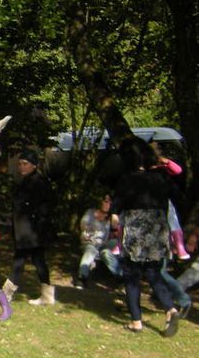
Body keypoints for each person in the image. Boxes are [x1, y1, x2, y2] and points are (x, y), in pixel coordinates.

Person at [112, 137, 184, 336]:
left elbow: (116, 205)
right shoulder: (161, 178)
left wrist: (115, 217)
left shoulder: (128, 179)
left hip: (136, 228)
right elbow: (178, 196)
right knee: (153, 272)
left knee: (131, 275)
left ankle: (136, 321)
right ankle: (170, 309)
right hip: (157, 228)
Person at [3, 149, 56, 305]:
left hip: (32, 230)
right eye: (20, 164)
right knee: (37, 260)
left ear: (33, 165)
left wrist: (35, 219)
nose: (21, 167)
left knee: (21, 260)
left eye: (25, 164)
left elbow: (47, 206)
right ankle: (47, 295)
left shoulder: (40, 182)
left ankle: (6, 294)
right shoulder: (23, 181)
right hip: (26, 229)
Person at [73, 193, 121, 288]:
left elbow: (117, 233)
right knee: (91, 250)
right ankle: (82, 278)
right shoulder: (90, 213)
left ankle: (122, 278)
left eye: (110, 203)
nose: (108, 204)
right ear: (101, 202)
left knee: (108, 251)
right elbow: (83, 226)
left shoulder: (112, 217)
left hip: (103, 244)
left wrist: (114, 222)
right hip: (90, 242)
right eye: (106, 201)